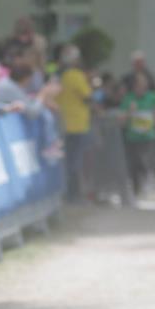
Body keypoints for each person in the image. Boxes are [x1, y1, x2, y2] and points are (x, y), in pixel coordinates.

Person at [54, 44, 92, 202]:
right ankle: (74, 195)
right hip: (78, 125)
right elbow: (87, 97)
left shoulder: (58, 75)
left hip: (62, 124)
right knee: (75, 162)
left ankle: (67, 194)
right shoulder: (76, 75)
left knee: (67, 161)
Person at [120, 72, 155, 198]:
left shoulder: (153, 97)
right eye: (139, 85)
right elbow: (121, 119)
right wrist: (129, 112)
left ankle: (147, 182)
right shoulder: (128, 98)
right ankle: (136, 190)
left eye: (143, 85)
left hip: (148, 136)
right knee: (133, 163)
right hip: (132, 137)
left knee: (145, 160)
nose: (141, 88)